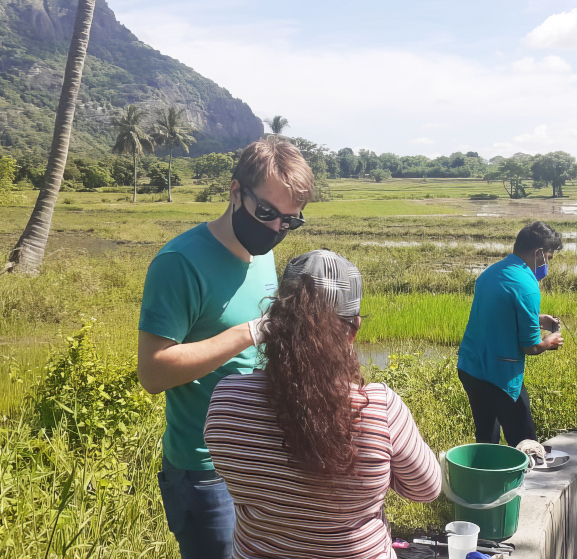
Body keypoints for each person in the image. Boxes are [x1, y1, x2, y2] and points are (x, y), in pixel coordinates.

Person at [137, 138, 314, 559]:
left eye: (289, 221)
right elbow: (153, 372)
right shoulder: (180, 263)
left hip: (261, 459)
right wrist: (249, 332)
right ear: (235, 192)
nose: (275, 230)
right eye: (266, 213)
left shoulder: (263, 255)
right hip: (205, 472)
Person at [204, 249, 441, 559]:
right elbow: (426, 489)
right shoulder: (379, 409)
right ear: (353, 329)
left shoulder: (227, 401)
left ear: (274, 322)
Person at [457, 221, 564, 448]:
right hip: (500, 375)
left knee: (487, 438)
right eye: (549, 258)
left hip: (470, 368)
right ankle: (530, 481)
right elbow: (530, 347)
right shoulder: (527, 284)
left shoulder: (491, 272)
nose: (547, 265)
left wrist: (537, 319)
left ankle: (485, 479)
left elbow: (497, 317)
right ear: (538, 253)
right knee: (526, 443)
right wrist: (549, 342)